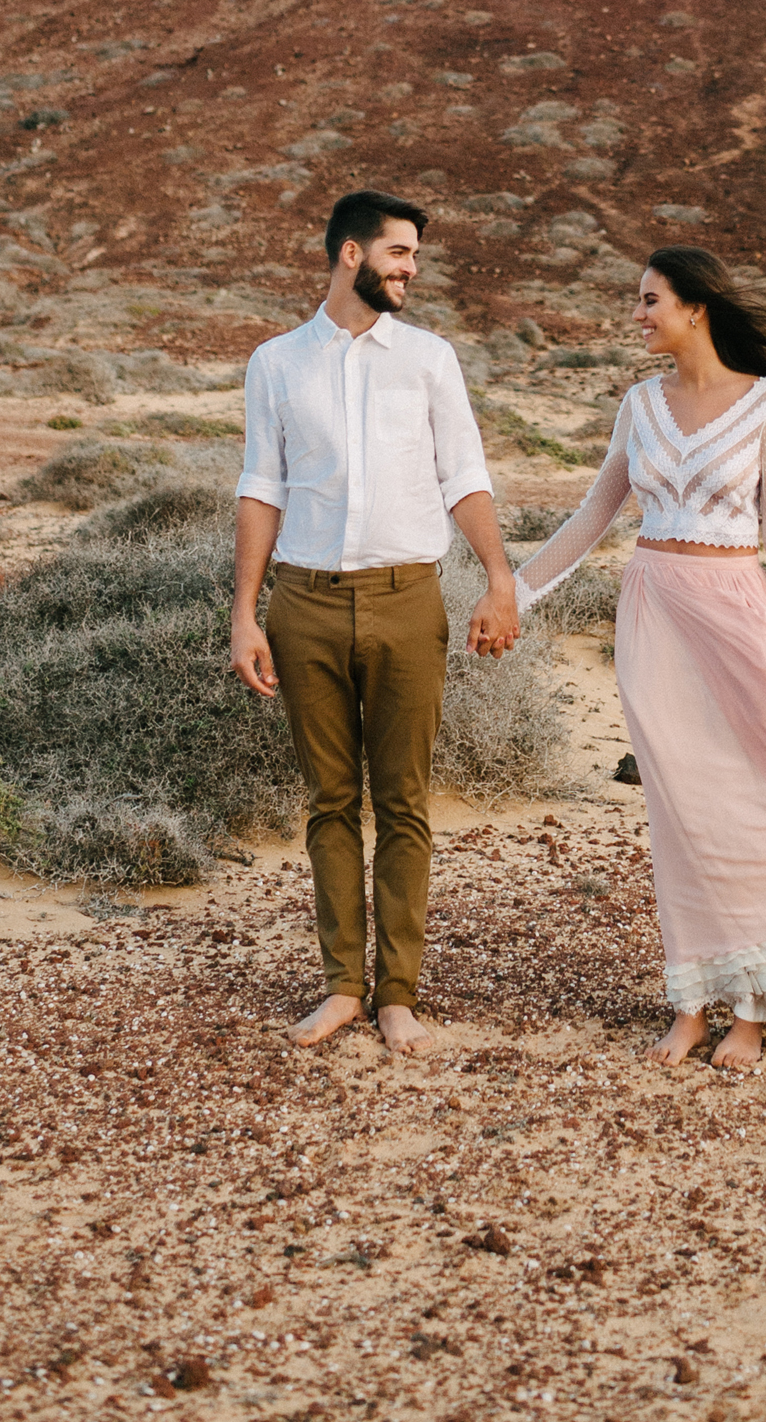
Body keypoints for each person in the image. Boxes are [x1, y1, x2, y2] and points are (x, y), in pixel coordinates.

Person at [513, 245, 766, 1067]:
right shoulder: (639, 404)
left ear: (696, 307)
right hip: (654, 615)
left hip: (738, 614)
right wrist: (513, 592)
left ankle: (754, 1009)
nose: (638, 313)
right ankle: (693, 1000)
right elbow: (595, 515)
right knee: (681, 814)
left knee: (757, 805)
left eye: (651, 299)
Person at [230, 187, 520, 1056]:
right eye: (399, 253)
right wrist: (245, 613)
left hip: (407, 599)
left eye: (416, 258)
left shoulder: (430, 358)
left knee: (402, 803)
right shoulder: (276, 362)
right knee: (328, 802)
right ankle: (342, 988)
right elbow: (261, 489)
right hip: (305, 604)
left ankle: (398, 994)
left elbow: (462, 475)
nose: (410, 270)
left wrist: (499, 577)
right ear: (350, 253)